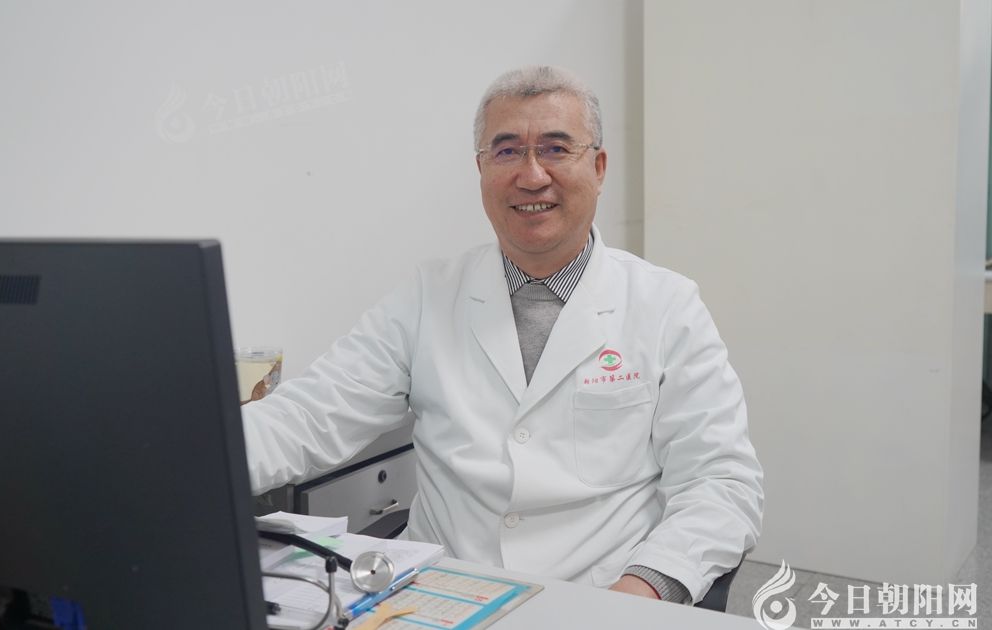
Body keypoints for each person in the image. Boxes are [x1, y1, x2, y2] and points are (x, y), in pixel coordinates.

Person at [241, 65, 763, 605]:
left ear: (599, 167)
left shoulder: (666, 305)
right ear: (481, 169)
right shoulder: (428, 296)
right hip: (443, 596)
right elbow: (309, 414)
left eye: (556, 149)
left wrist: (641, 591)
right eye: (508, 151)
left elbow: (720, 482)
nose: (532, 177)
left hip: (599, 598)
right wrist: (194, 454)